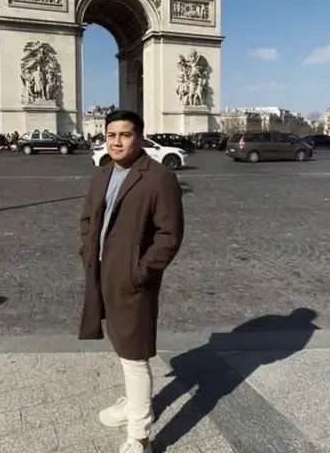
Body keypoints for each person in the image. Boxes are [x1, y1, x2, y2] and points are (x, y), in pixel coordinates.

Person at [78, 109, 184, 453]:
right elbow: (88, 218)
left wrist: (141, 272)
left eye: (125, 135)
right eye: (111, 135)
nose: (116, 142)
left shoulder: (160, 177)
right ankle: (134, 404)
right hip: (101, 272)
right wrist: (87, 250)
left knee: (135, 356)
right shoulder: (102, 173)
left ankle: (140, 434)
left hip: (133, 278)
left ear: (139, 138)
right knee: (120, 343)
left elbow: (169, 236)